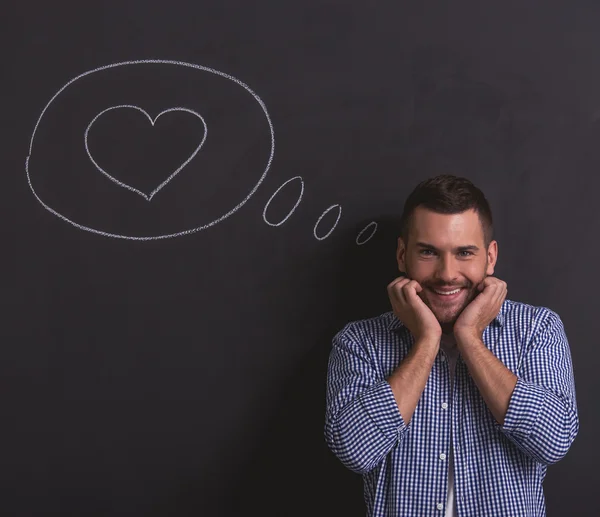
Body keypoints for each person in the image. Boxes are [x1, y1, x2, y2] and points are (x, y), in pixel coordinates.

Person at [324, 174, 579, 517]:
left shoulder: (537, 330)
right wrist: (427, 341)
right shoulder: (358, 342)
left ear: (490, 258)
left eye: (464, 253)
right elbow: (355, 450)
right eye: (428, 252)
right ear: (402, 255)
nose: (447, 273)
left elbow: (554, 441)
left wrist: (469, 338)